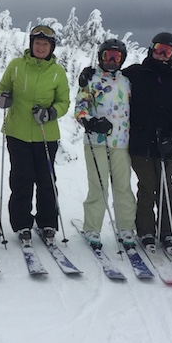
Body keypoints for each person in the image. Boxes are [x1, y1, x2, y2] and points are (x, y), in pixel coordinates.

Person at [0, 25, 70, 245]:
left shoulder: (58, 71)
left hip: (46, 135)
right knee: (21, 179)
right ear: (31, 44)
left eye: (45, 44)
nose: (40, 47)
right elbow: (1, 90)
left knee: (46, 180)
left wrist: (50, 113)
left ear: (51, 47)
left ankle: (47, 222)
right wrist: (2, 99)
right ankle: (22, 224)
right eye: (37, 43)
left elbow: (64, 102)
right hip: (17, 133)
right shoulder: (16, 66)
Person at [121, 32, 172, 254]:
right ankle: (145, 230)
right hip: (141, 143)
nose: (162, 55)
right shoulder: (135, 73)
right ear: (151, 48)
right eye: (159, 49)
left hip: (165, 145)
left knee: (165, 187)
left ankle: (167, 231)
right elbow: (110, 77)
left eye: (167, 52)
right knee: (148, 185)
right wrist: (91, 73)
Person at [74, 38, 136, 249]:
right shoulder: (90, 80)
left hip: (121, 142)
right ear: (100, 57)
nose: (111, 60)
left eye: (116, 56)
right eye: (107, 55)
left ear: (122, 59)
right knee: (98, 186)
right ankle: (92, 228)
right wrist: (89, 121)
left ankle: (126, 228)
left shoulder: (127, 82)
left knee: (123, 187)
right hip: (96, 141)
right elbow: (80, 107)